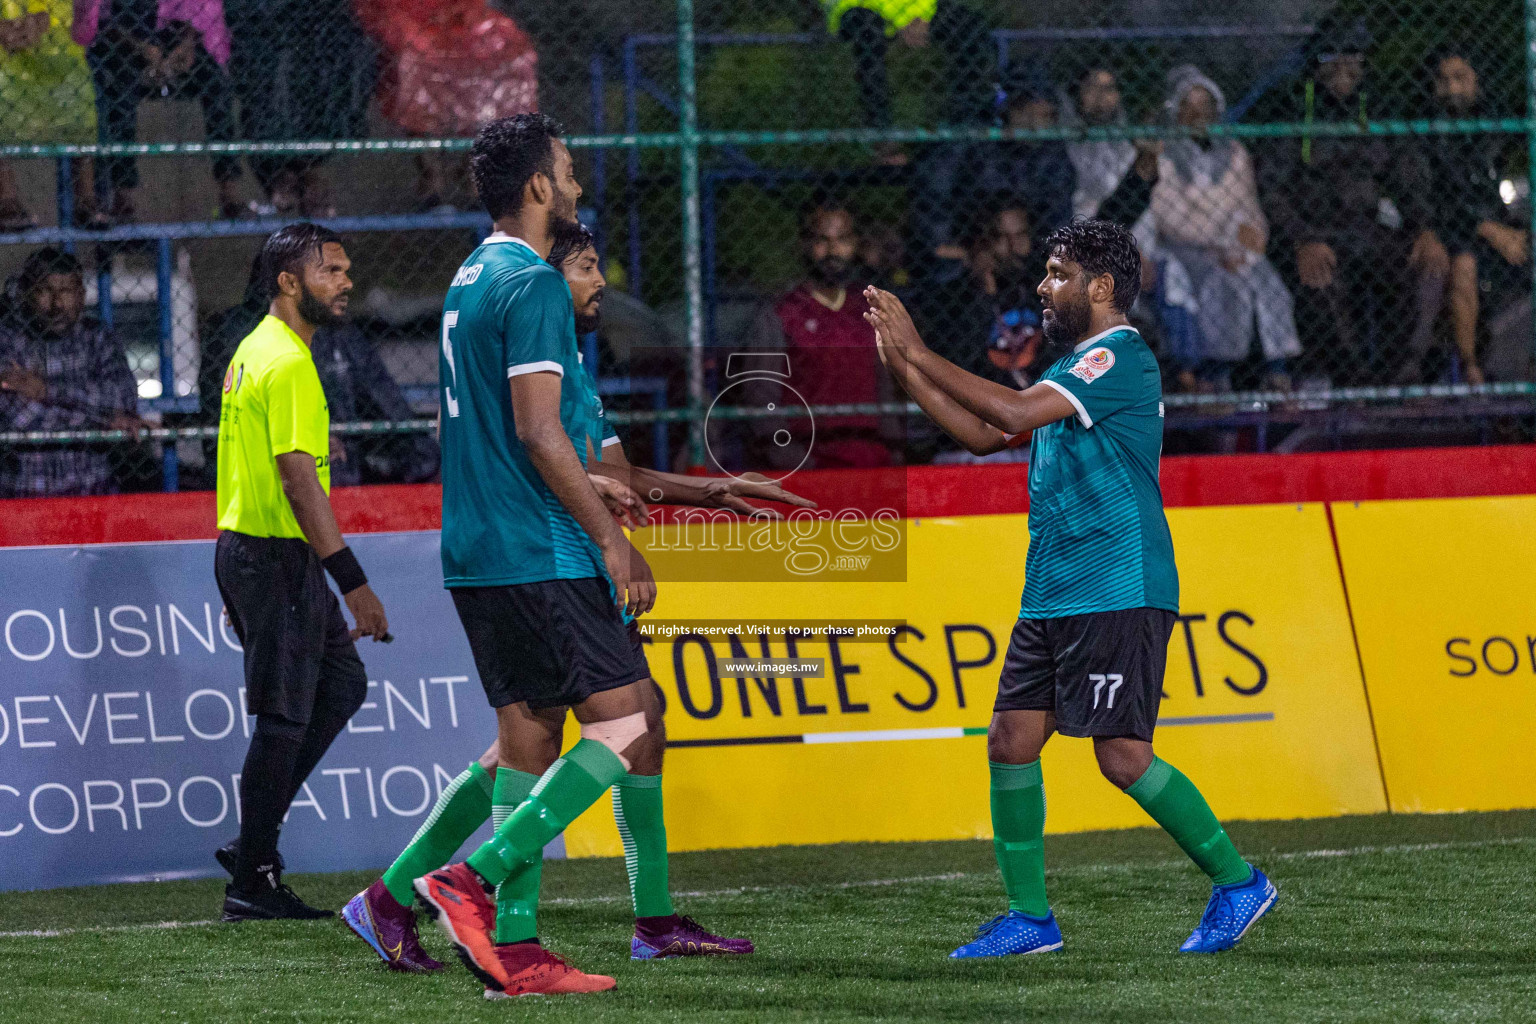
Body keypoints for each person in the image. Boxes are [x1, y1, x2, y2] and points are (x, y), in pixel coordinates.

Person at [340, 218, 805, 975]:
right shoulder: (532, 327)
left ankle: (407, 904)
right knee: (622, 726)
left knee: (548, 737)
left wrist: (713, 490)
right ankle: (484, 899)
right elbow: (545, 453)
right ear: (554, 273)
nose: (599, 284)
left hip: (536, 554)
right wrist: (611, 539)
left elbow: (617, 476)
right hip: (545, 556)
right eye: (587, 267)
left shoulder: (567, 365)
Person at [864, 218, 1277, 958]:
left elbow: (1012, 413)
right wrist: (903, 367)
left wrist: (922, 350)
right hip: (1055, 590)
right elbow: (986, 436)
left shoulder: (1119, 357)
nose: (1041, 286)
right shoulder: (1075, 370)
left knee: (1121, 756)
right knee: (1010, 741)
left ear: (1101, 286)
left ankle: (1238, 881)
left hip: (1118, 583)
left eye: (1056, 273)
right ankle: (1031, 920)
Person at [407, 112, 669, 999]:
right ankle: (470, 879)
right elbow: (538, 429)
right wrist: (610, 537)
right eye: (567, 171)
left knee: (527, 737)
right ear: (536, 190)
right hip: (531, 543)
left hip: (474, 544)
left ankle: (512, 950)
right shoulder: (534, 285)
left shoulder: (469, 275)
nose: (579, 184)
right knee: (631, 719)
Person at [211, 223, 391, 921]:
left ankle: (251, 840)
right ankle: (251, 881)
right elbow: (297, 483)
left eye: (347, 270)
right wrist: (355, 583)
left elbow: (263, 462)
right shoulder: (287, 361)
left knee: (341, 686)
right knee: (285, 719)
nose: (346, 281)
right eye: (332, 271)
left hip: (256, 551)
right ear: (289, 282)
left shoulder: (254, 349)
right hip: (274, 555)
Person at [1253, 19, 1447, 386]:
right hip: (1318, 232)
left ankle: (1402, 375)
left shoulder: (1379, 108)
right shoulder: (1294, 112)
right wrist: (1302, 238)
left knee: (1431, 264)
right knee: (1320, 279)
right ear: (1316, 63)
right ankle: (1353, 383)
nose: (1343, 65)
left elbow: (1408, 176)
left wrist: (1423, 228)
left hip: (1372, 229)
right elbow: (1272, 188)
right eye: (1332, 56)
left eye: (1353, 56)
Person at [1150, 66, 1301, 392]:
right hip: (1188, 248)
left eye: (1205, 105)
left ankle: (1277, 370)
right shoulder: (1164, 155)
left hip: (1233, 245)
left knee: (1267, 283)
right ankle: (1215, 375)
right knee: (1221, 285)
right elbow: (1169, 216)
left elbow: (1248, 206)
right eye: (1189, 106)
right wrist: (1219, 243)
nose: (1198, 114)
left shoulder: (1234, 153)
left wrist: (1247, 240)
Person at [740, 200, 899, 469]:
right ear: (805, 244)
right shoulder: (780, 313)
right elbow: (760, 395)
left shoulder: (870, 309)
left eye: (843, 239)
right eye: (822, 240)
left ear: (857, 244)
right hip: (811, 464)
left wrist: (894, 453)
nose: (832, 250)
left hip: (874, 462)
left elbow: (886, 389)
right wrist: (791, 459)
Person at [73, 0, 243, 222]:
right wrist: (141, 47)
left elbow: (202, 8)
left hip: (174, 39)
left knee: (216, 85)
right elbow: (99, 18)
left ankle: (229, 191)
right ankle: (124, 195)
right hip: (124, 41)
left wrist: (187, 43)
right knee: (120, 91)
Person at [0, 248, 142, 496]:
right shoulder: (8, 339)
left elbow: (123, 396)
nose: (56, 304)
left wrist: (46, 391)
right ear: (26, 294)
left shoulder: (97, 338)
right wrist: (104, 423)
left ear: (81, 295)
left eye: (65, 292)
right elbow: (18, 416)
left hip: (92, 490)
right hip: (24, 492)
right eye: (44, 291)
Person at [1423, 48, 1520, 385]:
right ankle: (1472, 369)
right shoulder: (1428, 131)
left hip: (1503, 227)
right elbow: (1442, 199)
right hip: (1457, 231)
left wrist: (1510, 229)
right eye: (1444, 80)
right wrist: (1489, 228)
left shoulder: (1497, 123)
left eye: (1460, 78)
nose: (1452, 88)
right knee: (1464, 265)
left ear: (1477, 80)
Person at [223, 0, 370, 217]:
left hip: (315, 20)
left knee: (336, 51)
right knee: (274, 63)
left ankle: (308, 168)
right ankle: (283, 168)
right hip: (262, 21)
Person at [0, 0, 100, 229]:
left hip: (58, 51)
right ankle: (7, 200)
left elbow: (84, 25)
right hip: (6, 54)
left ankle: (86, 199)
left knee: (79, 81)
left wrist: (44, 21)